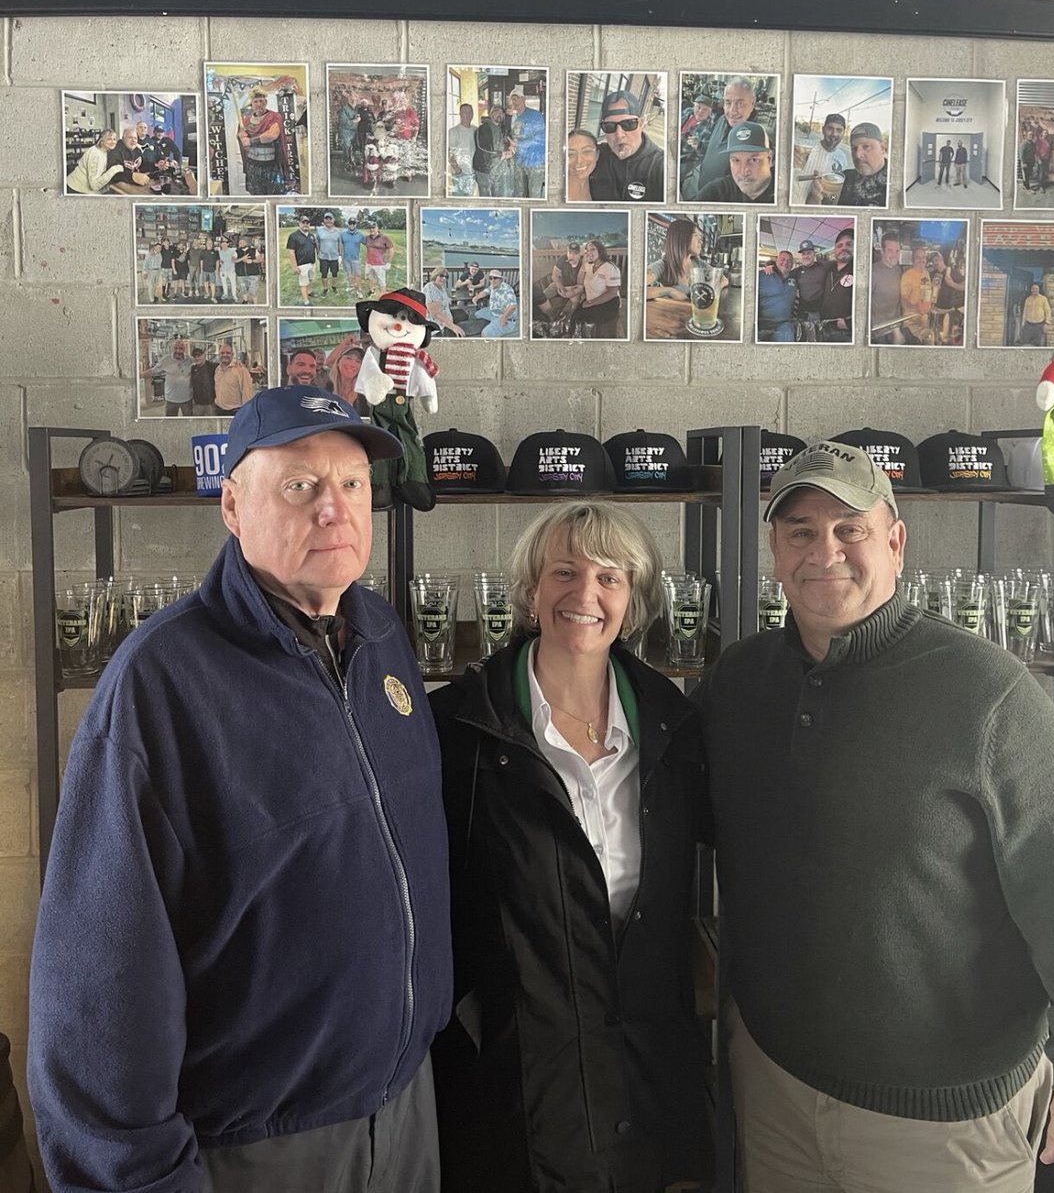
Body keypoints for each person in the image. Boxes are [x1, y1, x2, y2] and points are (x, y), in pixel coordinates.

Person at [29, 386, 451, 1193]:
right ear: (232, 503)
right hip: (262, 1143)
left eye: (353, 484)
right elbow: (96, 988)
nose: (335, 509)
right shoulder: (162, 681)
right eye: (300, 486)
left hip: (403, 1110)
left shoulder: (382, 637)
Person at [694, 439, 1054, 1193]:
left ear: (895, 542)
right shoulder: (739, 681)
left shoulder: (989, 692)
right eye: (801, 532)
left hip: (943, 1122)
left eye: (850, 527)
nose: (826, 551)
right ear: (775, 552)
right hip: (775, 1087)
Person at [430, 500, 712, 1193]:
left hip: (645, 1087)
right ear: (531, 590)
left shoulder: (675, 730)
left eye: (610, 578)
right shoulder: (459, 729)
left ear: (635, 601)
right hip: (510, 1090)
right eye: (565, 571)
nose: (585, 595)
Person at [682, 76, 759, 198]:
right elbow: (710, 151)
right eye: (728, 103)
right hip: (699, 188)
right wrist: (700, 145)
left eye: (740, 103)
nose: (732, 111)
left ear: (752, 103)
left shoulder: (756, 139)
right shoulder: (722, 119)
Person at [587, 90, 665, 203]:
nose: (619, 135)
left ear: (641, 124)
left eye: (628, 124)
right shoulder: (595, 156)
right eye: (609, 126)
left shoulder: (661, 167)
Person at [694, 122, 775, 203]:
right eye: (736, 160)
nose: (744, 171)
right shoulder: (715, 193)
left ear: (769, 159)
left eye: (754, 160)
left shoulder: (784, 192)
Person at [237, 86, 291, 195]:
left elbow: (272, 135)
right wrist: (242, 136)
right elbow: (245, 146)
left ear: (265, 102)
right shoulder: (246, 121)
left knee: (275, 195)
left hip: (272, 166)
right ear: (251, 103)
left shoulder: (274, 117)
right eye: (255, 101)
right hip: (253, 166)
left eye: (261, 101)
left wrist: (251, 141)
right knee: (256, 195)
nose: (258, 104)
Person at [795, 112, 849, 205]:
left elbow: (835, 193)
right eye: (830, 128)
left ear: (843, 133)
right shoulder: (806, 149)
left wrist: (831, 200)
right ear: (823, 130)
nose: (834, 134)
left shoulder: (842, 158)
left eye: (839, 130)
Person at [571, 238, 622, 334]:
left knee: (586, 321)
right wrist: (583, 264)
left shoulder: (610, 268)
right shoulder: (588, 265)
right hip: (591, 300)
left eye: (593, 249)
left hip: (608, 302)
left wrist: (590, 303)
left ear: (600, 250)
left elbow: (612, 293)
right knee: (575, 317)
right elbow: (580, 283)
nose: (589, 252)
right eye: (587, 250)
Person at [645, 218, 702, 300]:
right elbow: (637, 288)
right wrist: (670, 291)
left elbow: (722, 279)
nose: (700, 241)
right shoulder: (663, 265)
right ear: (683, 237)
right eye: (696, 236)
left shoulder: (698, 262)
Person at [818, 226, 855, 342]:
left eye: (849, 244)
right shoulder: (827, 269)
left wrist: (849, 323)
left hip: (845, 331)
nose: (844, 248)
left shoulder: (861, 270)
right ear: (835, 250)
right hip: (824, 326)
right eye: (839, 245)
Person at [141, 336, 194, 416]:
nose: (178, 351)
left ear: (184, 349)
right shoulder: (166, 360)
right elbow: (153, 371)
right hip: (171, 400)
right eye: (175, 348)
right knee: (170, 422)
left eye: (181, 348)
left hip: (187, 399)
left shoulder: (190, 360)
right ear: (172, 349)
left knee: (189, 421)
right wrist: (140, 374)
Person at [838, 122, 888, 207]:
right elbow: (833, 200)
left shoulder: (895, 187)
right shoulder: (844, 178)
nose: (858, 155)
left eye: (866, 147)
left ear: (882, 148)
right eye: (854, 148)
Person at [508, 86, 546, 197]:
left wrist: (518, 144)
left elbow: (540, 138)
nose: (515, 101)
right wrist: (511, 149)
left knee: (534, 193)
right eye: (513, 99)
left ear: (524, 99)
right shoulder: (515, 117)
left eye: (518, 98)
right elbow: (515, 137)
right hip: (520, 160)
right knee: (519, 192)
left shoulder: (535, 115)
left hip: (535, 161)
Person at [869, 231, 904, 344]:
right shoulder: (872, 272)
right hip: (878, 332)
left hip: (896, 326)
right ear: (882, 251)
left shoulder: (898, 270)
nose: (894, 255)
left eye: (897, 251)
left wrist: (897, 327)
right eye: (890, 250)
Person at [66, 128, 125, 193]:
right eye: (109, 139)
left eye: (114, 139)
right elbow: (94, 185)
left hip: (80, 188)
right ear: (101, 141)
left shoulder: (103, 151)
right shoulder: (96, 154)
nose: (113, 142)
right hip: (75, 189)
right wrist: (114, 170)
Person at [757, 249, 798, 342]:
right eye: (782, 259)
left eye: (789, 261)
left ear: (792, 265)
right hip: (761, 323)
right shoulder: (762, 275)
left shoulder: (795, 277)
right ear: (776, 261)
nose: (786, 262)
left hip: (783, 324)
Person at [473, 105, 514, 197]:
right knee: (485, 196)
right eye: (496, 111)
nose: (499, 114)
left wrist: (511, 149)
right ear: (490, 114)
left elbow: (511, 142)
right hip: (484, 168)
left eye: (501, 112)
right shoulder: (482, 129)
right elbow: (481, 147)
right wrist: (500, 154)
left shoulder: (504, 129)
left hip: (499, 169)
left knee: (499, 195)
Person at [537, 241, 584, 318]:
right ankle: (543, 313)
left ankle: (567, 318)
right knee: (545, 294)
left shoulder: (583, 263)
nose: (572, 256)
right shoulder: (563, 258)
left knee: (575, 301)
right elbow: (554, 275)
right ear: (567, 252)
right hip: (562, 285)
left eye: (575, 253)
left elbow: (582, 286)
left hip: (575, 288)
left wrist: (571, 291)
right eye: (570, 253)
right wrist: (560, 287)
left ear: (580, 254)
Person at [899, 243, 934, 343]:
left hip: (924, 320)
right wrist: (915, 308)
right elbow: (903, 300)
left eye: (923, 257)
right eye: (918, 257)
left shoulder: (926, 272)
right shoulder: (907, 275)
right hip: (911, 323)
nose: (921, 260)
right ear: (912, 259)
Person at [793, 238, 827, 335]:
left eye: (808, 253)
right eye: (803, 254)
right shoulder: (797, 271)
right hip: (802, 313)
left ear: (814, 254)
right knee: (803, 337)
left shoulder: (823, 267)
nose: (806, 256)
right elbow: (783, 273)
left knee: (817, 338)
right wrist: (772, 267)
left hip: (819, 313)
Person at [932, 247, 965, 344]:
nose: (936, 262)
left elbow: (964, 286)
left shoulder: (952, 272)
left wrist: (952, 284)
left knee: (948, 339)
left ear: (943, 259)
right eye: (934, 260)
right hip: (936, 313)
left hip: (949, 313)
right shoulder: (933, 273)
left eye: (938, 259)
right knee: (936, 339)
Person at [422, 266, 466, 337]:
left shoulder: (441, 287)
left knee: (464, 314)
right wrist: (453, 327)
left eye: (446, 277)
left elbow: (442, 298)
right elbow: (436, 314)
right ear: (435, 275)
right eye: (441, 276)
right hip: (438, 326)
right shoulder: (430, 288)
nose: (444, 278)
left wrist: (449, 300)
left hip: (447, 320)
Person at [472, 269, 518, 337]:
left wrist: (504, 317)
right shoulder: (493, 286)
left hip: (506, 319)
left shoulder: (507, 290)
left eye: (495, 278)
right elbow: (486, 291)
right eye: (491, 278)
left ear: (501, 279)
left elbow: (513, 306)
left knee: (484, 334)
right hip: (493, 312)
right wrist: (476, 297)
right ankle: (492, 327)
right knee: (476, 314)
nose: (492, 280)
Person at [213, 340, 254, 415]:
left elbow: (247, 394)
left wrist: (247, 413)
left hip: (234, 412)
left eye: (228, 353)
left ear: (232, 355)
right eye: (222, 353)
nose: (225, 355)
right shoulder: (217, 369)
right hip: (219, 410)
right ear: (219, 355)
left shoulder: (241, 370)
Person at [106, 126, 151, 194]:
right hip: (119, 188)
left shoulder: (137, 150)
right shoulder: (115, 151)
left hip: (136, 185)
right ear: (123, 139)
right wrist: (132, 176)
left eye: (135, 138)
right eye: (130, 137)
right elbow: (112, 175)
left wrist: (157, 165)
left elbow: (144, 166)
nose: (133, 140)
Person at [286, 213, 318, 307]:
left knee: (311, 279)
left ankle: (309, 292)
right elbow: (291, 252)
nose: (305, 224)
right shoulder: (293, 236)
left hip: (312, 263)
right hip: (301, 264)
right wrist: (295, 267)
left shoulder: (312, 235)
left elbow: (315, 248)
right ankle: (306, 301)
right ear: (299, 223)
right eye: (303, 222)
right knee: (304, 283)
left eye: (307, 222)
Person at [447, 102, 477, 196]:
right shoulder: (453, 131)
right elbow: (449, 152)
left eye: (470, 112)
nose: (467, 115)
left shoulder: (476, 130)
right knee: (458, 200)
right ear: (460, 114)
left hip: (472, 173)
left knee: (470, 200)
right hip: (460, 173)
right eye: (465, 112)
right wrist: (457, 169)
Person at [679, 93, 715, 166]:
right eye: (698, 107)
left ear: (710, 113)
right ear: (694, 106)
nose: (701, 111)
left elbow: (707, 153)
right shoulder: (688, 111)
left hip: (686, 159)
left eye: (705, 109)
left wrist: (699, 145)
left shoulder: (711, 127)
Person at [362, 219, 395, 299]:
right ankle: (372, 290)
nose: (371, 229)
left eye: (373, 227)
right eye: (370, 228)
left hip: (379, 264)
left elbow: (391, 250)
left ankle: (383, 294)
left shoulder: (384, 238)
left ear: (377, 228)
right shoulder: (367, 238)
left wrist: (389, 262)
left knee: (381, 280)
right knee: (370, 278)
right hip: (369, 263)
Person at [565, 128, 599, 202]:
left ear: (597, 155)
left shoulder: (599, 188)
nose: (579, 161)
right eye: (570, 154)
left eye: (586, 151)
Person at [316, 211, 342, 299]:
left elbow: (340, 243)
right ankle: (325, 289)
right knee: (324, 274)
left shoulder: (338, 231)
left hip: (334, 257)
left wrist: (340, 255)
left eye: (330, 218)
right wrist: (318, 253)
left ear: (333, 220)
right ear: (324, 220)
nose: (328, 220)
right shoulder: (319, 230)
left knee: (335, 274)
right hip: (323, 257)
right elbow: (317, 243)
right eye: (326, 218)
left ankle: (334, 287)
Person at [339, 217, 366, 296]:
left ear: (356, 224)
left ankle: (359, 290)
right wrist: (340, 256)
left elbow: (367, 243)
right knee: (348, 273)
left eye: (353, 223)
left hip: (355, 258)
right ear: (348, 224)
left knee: (357, 275)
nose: (352, 225)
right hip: (346, 258)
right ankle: (351, 286)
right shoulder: (343, 234)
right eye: (350, 223)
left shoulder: (360, 234)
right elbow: (340, 245)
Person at [188, 345, 216, 413]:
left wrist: (236, 363)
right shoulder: (193, 368)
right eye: (195, 356)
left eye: (199, 356)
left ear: (204, 355)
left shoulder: (213, 366)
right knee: (197, 423)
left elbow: (224, 366)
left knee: (212, 423)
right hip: (197, 404)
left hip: (211, 404)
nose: (197, 358)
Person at [1022, 281, 1052, 345]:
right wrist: (1023, 323)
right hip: (1029, 325)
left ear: (1039, 289)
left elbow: (1048, 311)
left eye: (1036, 289)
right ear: (1031, 289)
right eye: (1033, 288)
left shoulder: (1043, 299)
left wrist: (1047, 323)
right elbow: (1025, 311)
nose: (1034, 290)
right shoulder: (1028, 299)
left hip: (1039, 325)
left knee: (1038, 343)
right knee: (1026, 343)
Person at [216, 236, 238, 304]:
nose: (224, 245)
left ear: (228, 244)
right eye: (222, 244)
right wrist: (220, 263)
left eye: (225, 243)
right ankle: (225, 294)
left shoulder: (233, 251)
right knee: (224, 283)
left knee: (233, 283)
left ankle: (234, 296)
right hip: (223, 270)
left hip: (231, 270)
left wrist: (234, 258)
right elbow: (219, 260)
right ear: (221, 245)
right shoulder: (219, 252)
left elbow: (235, 258)